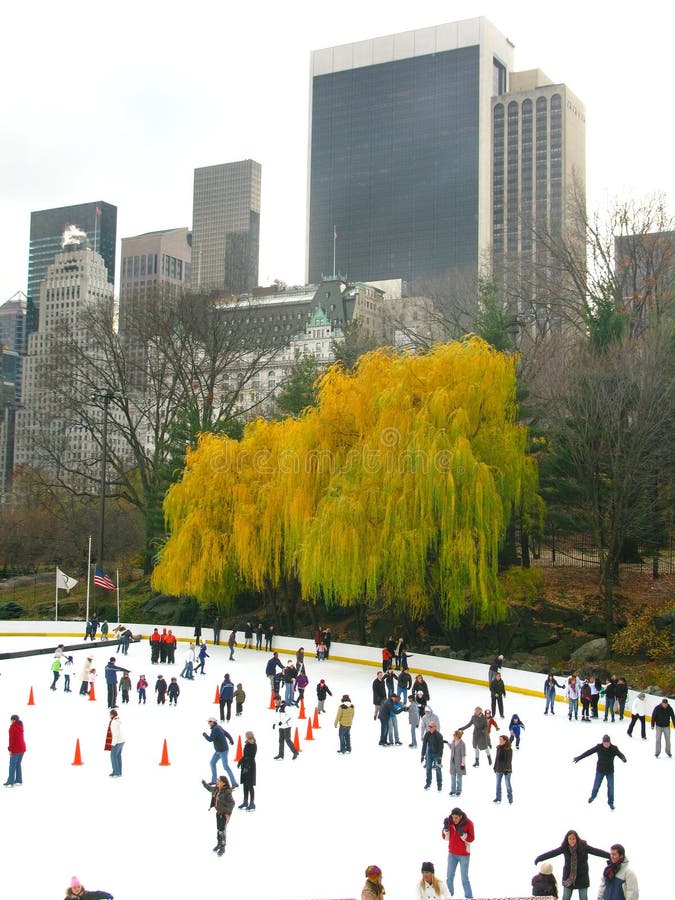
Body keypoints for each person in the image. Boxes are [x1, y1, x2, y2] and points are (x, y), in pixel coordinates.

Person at [535, 830, 609, 900]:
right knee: (566, 898)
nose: (572, 841)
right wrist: (539, 858)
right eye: (570, 839)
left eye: (573, 839)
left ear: (577, 839)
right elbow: (552, 853)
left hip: (582, 878)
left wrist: (610, 856)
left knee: (583, 898)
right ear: (567, 840)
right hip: (568, 879)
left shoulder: (584, 847)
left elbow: (597, 851)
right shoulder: (565, 848)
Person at [574, 734, 627, 809]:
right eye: (605, 743)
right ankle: (593, 796)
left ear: (610, 742)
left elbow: (620, 754)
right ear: (602, 742)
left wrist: (623, 758)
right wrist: (579, 757)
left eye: (608, 743)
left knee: (611, 787)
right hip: (600, 771)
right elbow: (588, 752)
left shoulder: (614, 748)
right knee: (596, 786)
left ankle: (610, 802)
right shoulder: (599, 747)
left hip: (610, 771)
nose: (606, 745)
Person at [441, 806, 474, 898]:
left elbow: (471, 838)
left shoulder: (469, 823)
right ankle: (449, 897)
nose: (454, 819)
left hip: (464, 855)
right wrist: (446, 830)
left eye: (456, 817)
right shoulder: (449, 822)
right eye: (453, 817)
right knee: (449, 877)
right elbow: (444, 837)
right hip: (452, 854)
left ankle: (469, 897)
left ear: (460, 817)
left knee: (464, 879)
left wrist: (463, 834)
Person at [201, 774, 234, 856]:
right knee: (218, 829)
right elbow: (209, 788)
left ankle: (223, 846)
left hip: (225, 814)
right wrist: (204, 784)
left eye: (219, 781)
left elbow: (232, 804)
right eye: (217, 780)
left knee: (222, 830)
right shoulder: (216, 789)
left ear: (223, 783)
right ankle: (218, 844)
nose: (217, 782)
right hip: (218, 813)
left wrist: (227, 813)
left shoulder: (227, 792)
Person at [203, 717, 238, 786]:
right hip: (218, 751)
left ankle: (234, 783)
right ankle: (214, 781)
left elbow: (210, 739)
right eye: (208, 721)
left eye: (210, 721)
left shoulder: (215, 729)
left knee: (226, 767)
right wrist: (231, 739)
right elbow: (226, 733)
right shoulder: (218, 727)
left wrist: (205, 735)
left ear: (213, 722)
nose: (208, 723)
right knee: (212, 763)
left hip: (223, 751)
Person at [237, 730, 257, 810]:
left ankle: (252, 803)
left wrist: (247, 767)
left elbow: (251, 757)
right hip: (244, 765)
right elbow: (244, 755)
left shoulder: (253, 745)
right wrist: (240, 762)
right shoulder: (247, 744)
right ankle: (245, 802)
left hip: (250, 767)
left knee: (250, 785)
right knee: (245, 785)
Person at [421, 720, 444, 791]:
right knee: (428, 769)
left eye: (431, 727)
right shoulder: (427, 734)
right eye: (429, 726)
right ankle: (428, 783)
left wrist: (440, 757)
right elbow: (424, 745)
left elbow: (441, 747)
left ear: (435, 727)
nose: (429, 728)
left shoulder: (439, 735)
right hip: (429, 754)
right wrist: (422, 755)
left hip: (437, 754)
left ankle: (439, 785)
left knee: (438, 770)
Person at [5, 714, 26, 787]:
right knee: (18, 764)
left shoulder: (12, 727)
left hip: (16, 749)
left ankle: (10, 782)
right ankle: (19, 780)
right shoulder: (21, 726)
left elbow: (11, 740)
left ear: (13, 720)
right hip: (22, 748)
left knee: (12, 765)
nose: (10, 722)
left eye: (11, 720)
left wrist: (10, 750)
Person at [493, 733, 513, 804]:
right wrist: (495, 767)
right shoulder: (498, 748)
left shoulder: (509, 749)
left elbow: (509, 760)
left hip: (507, 770)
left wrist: (507, 769)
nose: (499, 741)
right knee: (498, 785)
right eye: (499, 739)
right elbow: (496, 759)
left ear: (505, 741)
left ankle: (510, 799)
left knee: (508, 785)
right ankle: (498, 798)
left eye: (501, 739)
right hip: (498, 769)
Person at [446, 729, 466, 797]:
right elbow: (452, 748)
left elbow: (463, 755)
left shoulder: (462, 744)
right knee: (452, 777)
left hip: (459, 763)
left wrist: (462, 764)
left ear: (458, 736)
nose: (453, 736)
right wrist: (447, 743)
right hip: (452, 762)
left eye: (454, 735)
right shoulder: (453, 741)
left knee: (459, 778)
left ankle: (459, 790)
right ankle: (453, 790)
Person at [106, 709, 125, 777]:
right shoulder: (117, 720)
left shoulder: (114, 722)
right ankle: (118, 772)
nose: (109, 715)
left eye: (110, 714)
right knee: (118, 757)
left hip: (117, 742)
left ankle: (116, 773)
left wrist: (113, 744)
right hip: (121, 741)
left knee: (113, 757)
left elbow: (115, 734)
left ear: (113, 715)